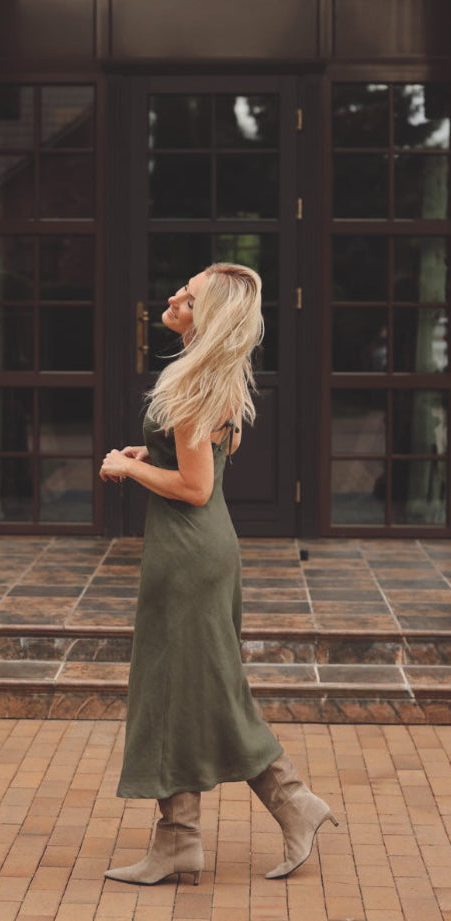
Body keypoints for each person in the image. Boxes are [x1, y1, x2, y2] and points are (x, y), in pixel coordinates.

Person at [99, 263, 338, 887]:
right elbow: (204, 456)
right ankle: (178, 840)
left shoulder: (194, 383)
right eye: (182, 289)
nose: (174, 297)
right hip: (196, 551)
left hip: (188, 555)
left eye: (189, 296)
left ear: (207, 318)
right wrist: (152, 452)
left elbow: (196, 487)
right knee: (179, 690)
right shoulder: (212, 376)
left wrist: (128, 469)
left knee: (201, 690)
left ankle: (293, 802)